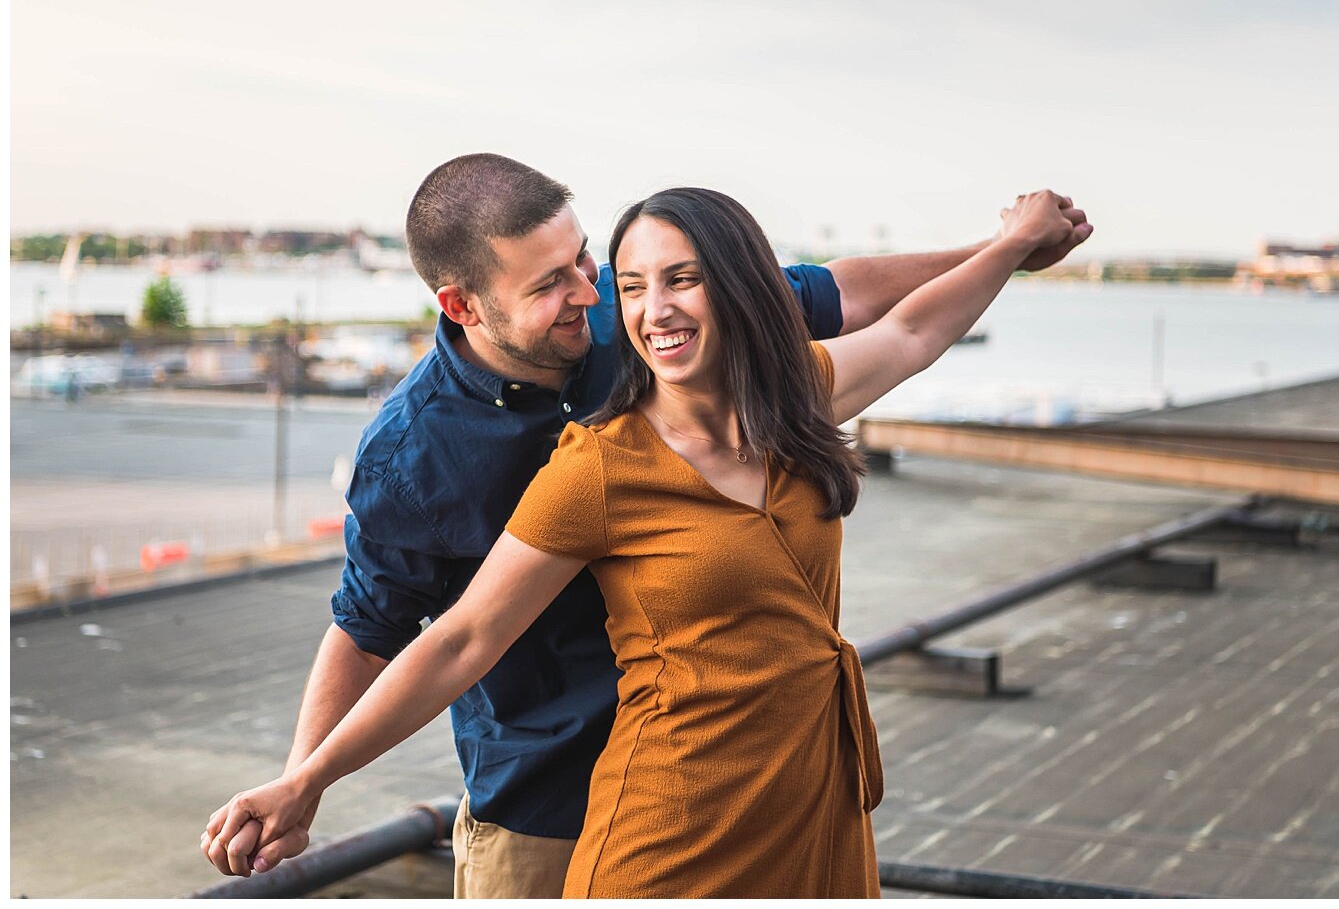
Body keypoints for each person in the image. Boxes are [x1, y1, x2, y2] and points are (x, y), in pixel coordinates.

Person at [201, 153, 1078, 897]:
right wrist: (301, 781)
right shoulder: (423, 455)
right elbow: (404, 633)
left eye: (587, 263)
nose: (593, 296)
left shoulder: (677, 340)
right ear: (464, 306)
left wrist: (1008, 249)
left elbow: (860, 304)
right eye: (554, 285)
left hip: (778, 777)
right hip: (549, 796)